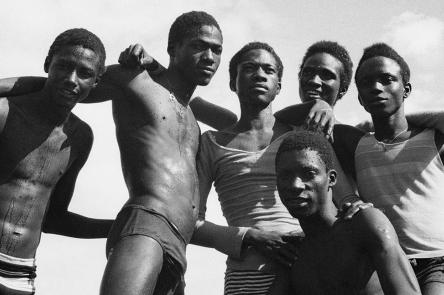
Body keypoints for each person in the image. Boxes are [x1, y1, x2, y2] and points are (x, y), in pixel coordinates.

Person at [192, 42, 356, 295]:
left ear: (279, 86)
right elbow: (190, 222)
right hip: (245, 276)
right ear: (232, 82)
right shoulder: (211, 143)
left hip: (308, 267)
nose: (259, 75)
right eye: (249, 68)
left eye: (269, 70)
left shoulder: (304, 137)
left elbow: (345, 201)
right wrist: (249, 236)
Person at [0, 28, 113, 294]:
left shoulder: (80, 137)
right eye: (63, 66)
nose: (71, 80)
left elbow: (53, 219)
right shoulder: (5, 112)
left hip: (21, 276)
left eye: (84, 73)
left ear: (96, 82)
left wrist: (125, 227)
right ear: (47, 65)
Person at [333, 43, 444, 294]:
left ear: (406, 90)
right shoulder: (357, 144)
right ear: (360, 98)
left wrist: (412, 118)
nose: (376, 88)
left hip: (436, 260)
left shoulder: (433, 138)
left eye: (387, 80)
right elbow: (317, 137)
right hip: (382, 264)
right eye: (366, 82)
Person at [275, 130, 421, 295]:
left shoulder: (364, 224)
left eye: (309, 174)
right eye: (285, 176)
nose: (295, 185)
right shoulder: (293, 252)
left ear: (331, 179)